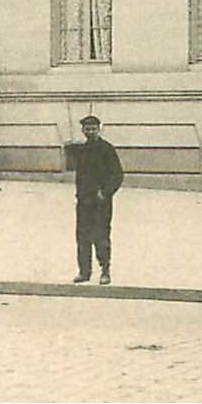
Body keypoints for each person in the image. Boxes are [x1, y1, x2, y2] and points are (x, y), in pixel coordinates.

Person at [72, 115, 123, 285]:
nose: (90, 132)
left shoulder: (107, 149)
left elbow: (117, 175)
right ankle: (84, 272)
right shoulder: (82, 150)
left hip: (101, 202)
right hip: (84, 202)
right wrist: (79, 195)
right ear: (83, 130)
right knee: (82, 237)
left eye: (93, 128)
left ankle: (105, 271)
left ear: (98, 129)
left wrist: (105, 192)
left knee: (101, 236)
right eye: (87, 129)